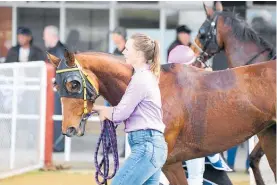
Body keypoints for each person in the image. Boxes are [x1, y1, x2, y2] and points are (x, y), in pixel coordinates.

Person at [92, 33, 168, 185]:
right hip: (151, 145)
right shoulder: (145, 76)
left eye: (127, 49)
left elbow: (120, 113)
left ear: (139, 54)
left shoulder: (140, 79)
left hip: (146, 145)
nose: (123, 52)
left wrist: (98, 109)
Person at [168, 45, 232, 185]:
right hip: (193, 143)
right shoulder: (192, 86)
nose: (196, 66)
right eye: (193, 64)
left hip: (182, 145)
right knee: (195, 176)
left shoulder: (171, 84)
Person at [43, 25, 67, 152]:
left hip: (58, 91)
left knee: (57, 117)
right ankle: (54, 144)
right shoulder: (53, 50)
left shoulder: (61, 51)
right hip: (52, 90)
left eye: (45, 35)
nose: (43, 38)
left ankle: (58, 145)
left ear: (52, 36)